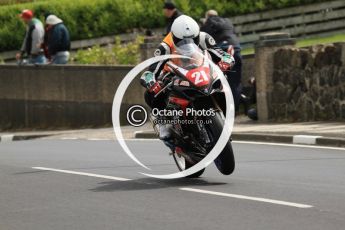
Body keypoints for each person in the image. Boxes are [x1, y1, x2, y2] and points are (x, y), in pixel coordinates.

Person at [140, 15, 234, 139]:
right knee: (151, 94)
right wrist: (151, 82)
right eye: (181, 41)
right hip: (174, 74)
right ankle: (162, 121)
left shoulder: (204, 38)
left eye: (192, 40)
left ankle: (224, 117)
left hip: (200, 69)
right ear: (174, 37)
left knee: (223, 80)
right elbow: (150, 72)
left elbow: (222, 54)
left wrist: (226, 61)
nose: (188, 44)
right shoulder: (165, 47)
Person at [201, 10, 242, 112]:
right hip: (235, 50)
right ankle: (234, 111)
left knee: (216, 83)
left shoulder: (207, 24)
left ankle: (223, 111)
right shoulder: (227, 22)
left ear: (207, 17)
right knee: (235, 82)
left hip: (221, 53)